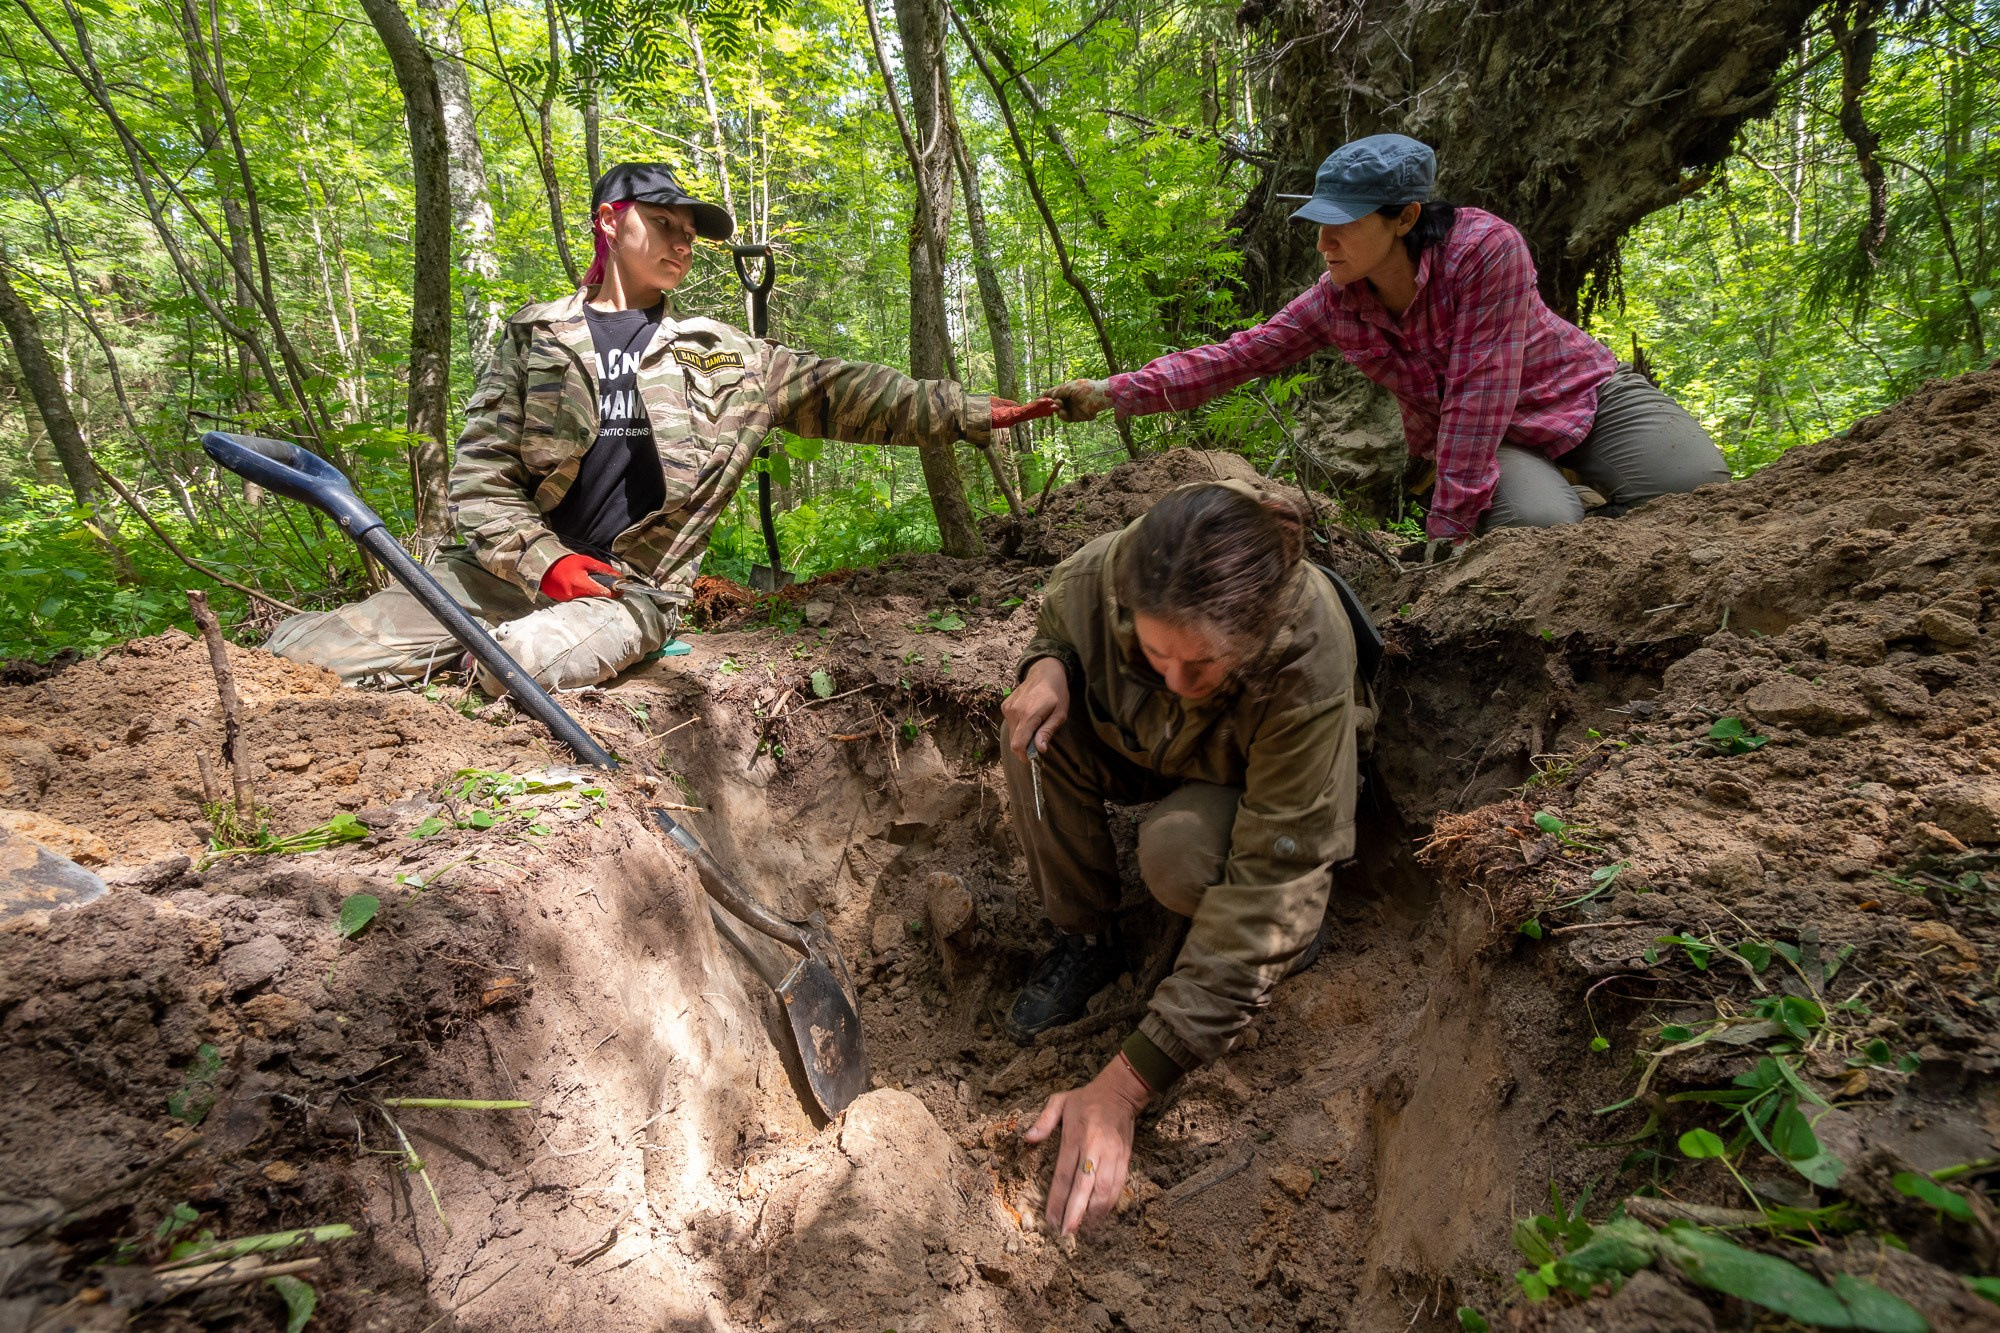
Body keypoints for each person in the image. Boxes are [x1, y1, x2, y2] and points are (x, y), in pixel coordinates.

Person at [269, 162, 1040, 690]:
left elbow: (852, 391)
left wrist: (976, 410)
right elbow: (479, 480)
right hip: (495, 576)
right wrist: (543, 562)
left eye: (689, 233)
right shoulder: (533, 337)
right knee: (302, 654)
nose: (682, 243)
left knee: (514, 669)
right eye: (664, 224)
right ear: (610, 222)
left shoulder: (726, 354)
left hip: (623, 593)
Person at [1047, 135, 1729, 557]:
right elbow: (1237, 356)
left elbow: (1478, 389)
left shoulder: (1486, 251)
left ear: (1405, 218)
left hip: (1580, 393)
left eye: (1341, 225)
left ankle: (1592, 483)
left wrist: (1448, 527)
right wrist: (1112, 391)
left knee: (1696, 491)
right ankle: (1571, 499)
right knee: (1538, 533)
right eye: (1318, 225)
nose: (1323, 244)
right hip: (1497, 442)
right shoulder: (1334, 301)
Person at [1002, 479, 1367, 1235]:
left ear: (1255, 633)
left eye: (1200, 667)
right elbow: (1057, 627)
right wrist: (1047, 668)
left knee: (1173, 854)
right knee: (1033, 734)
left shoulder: (1305, 650)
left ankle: (1304, 935)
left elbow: (1273, 878)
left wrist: (1127, 1085)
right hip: (1160, 747)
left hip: (1259, 780)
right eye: (1154, 652)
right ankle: (1087, 939)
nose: (1174, 678)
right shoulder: (1106, 574)